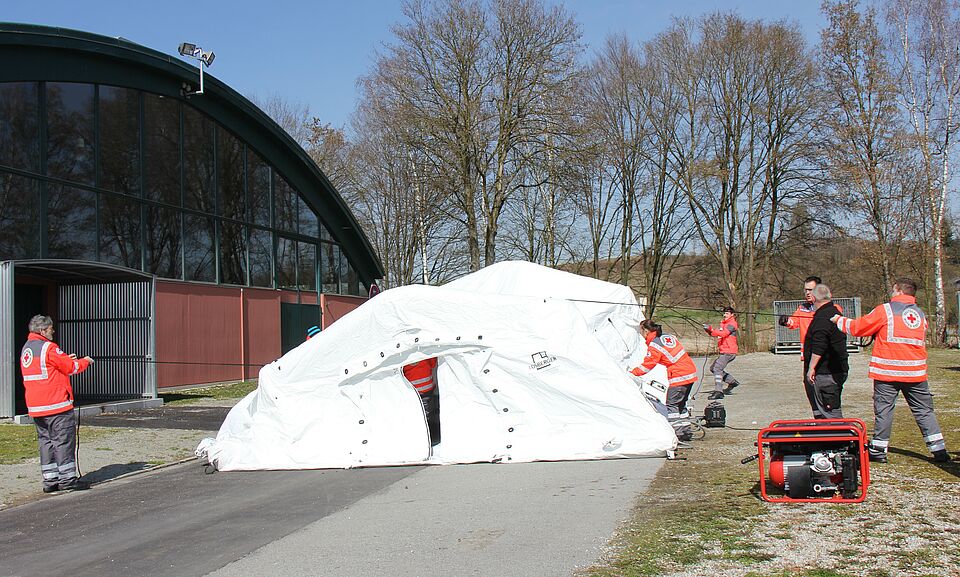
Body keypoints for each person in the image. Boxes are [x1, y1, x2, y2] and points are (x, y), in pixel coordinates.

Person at [831, 277, 949, 463]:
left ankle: (878, 450)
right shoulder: (920, 314)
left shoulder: (884, 310)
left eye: (893, 290)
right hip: (916, 374)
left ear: (900, 291)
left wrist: (838, 320)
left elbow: (857, 328)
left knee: (884, 410)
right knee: (924, 411)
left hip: (887, 373)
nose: (892, 293)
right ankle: (939, 450)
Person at [20, 314, 94, 493]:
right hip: (56, 404)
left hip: (37, 406)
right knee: (63, 441)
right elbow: (71, 368)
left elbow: (50, 367)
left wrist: (66, 358)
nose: (52, 331)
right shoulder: (49, 347)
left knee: (46, 442)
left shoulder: (27, 348)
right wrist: (85, 361)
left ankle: (50, 480)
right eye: (50, 329)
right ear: (42, 330)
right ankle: (68, 479)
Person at [630, 319, 699, 442]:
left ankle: (677, 434)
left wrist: (632, 373)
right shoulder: (667, 336)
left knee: (672, 405)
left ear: (646, 331)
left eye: (641, 332)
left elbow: (648, 365)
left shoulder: (654, 345)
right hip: (689, 372)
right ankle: (686, 431)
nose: (641, 335)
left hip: (679, 375)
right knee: (681, 404)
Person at [803, 284, 848, 419]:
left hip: (826, 373)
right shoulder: (835, 313)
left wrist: (811, 368)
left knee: (830, 414)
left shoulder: (822, 318)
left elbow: (819, 346)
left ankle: (837, 432)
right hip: (838, 368)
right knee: (827, 411)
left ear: (814, 298)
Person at [704, 306, 740, 400]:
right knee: (713, 368)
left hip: (729, 351)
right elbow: (717, 334)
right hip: (724, 350)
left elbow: (724, 334)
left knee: (717, 368)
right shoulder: (724, 323)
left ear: (732, 315)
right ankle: (731, 381)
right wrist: (709, 331)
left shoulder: (732, 324)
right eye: (724, 313)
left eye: (727, 313)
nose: (725, 315)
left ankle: (718, 391)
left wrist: (712, 330)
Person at [402, 357, 439, 440]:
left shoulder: (403, 356)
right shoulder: (424, 353)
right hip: (428, 388)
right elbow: (433, 363)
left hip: (414, 392)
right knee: (430, 412)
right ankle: (434, 434)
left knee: (421, 414)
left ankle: (426, 435)